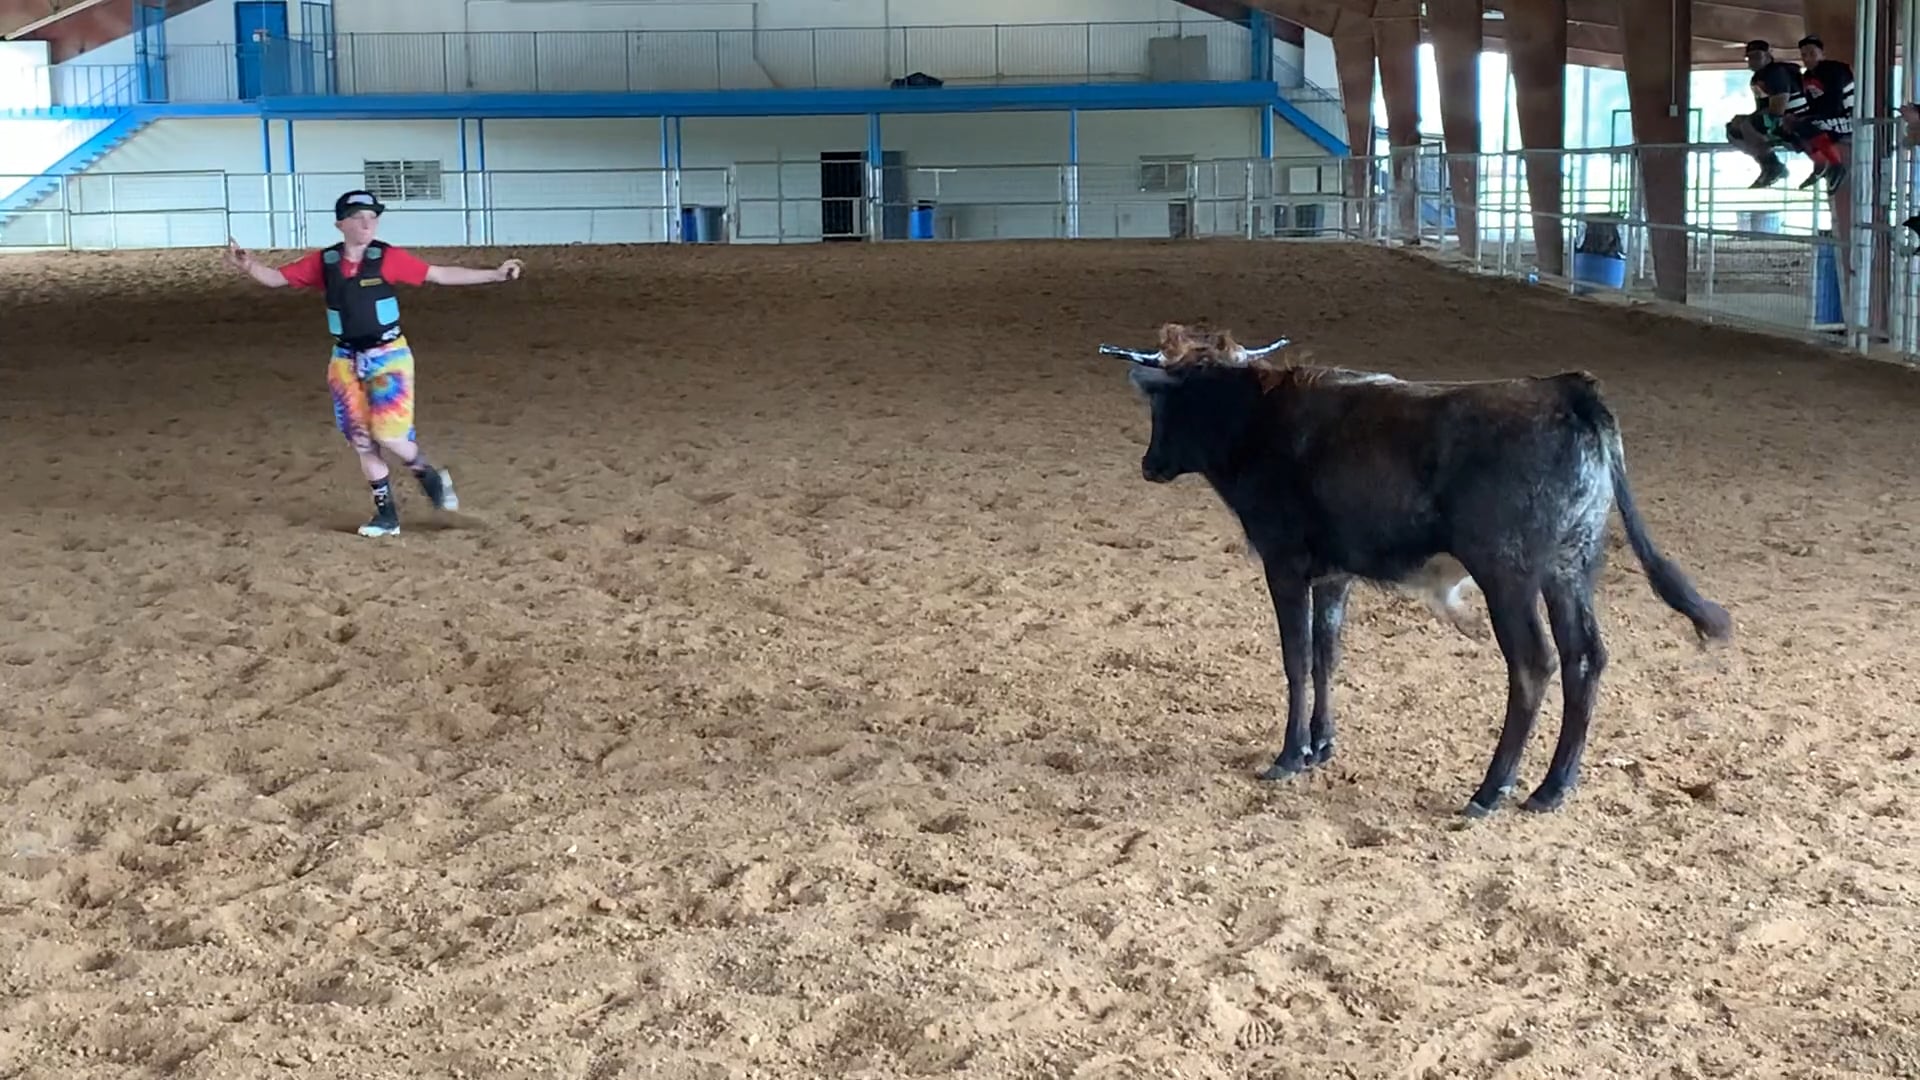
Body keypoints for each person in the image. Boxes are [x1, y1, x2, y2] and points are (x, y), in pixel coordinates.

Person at [223, 190, 524, 538]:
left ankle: (427, 474)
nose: (367, 222)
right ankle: (387, 515)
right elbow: (277, 279)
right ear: (340, 224)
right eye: (357, 216)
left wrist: (494, 275)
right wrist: (248, 265)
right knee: (362, 439)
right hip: (345, 360)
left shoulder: (387, 257)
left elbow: (438, 274)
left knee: (391, 435)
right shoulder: (325, 262)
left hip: (388, 356)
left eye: (372, 216)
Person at [1726, 39, 1809, 189]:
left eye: (1757, 56)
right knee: (1733, 131)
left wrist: (1751, 121)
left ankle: (1771, 165)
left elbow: (1778, 108)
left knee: (1748, 126)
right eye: (1749, 57)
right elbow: (1763, 108)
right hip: (1779, 119)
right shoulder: (1758, 78)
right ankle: (1769, 163)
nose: (1752, 60)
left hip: (1794, 120)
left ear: (1768, 55)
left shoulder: (1776, 73)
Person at [1793, 35, 1853, 190]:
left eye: (1812, 53)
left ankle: (1836, 165)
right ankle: (1820, 164)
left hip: (1849, 118)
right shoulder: (1808, 76)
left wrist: (1812, 118)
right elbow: (1814, 104)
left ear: (1822, 54)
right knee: (1791, 125)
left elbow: (1835, 101)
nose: (1807, 58)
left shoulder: (1834, 70)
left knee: (1808, 125)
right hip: (1830, 117)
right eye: (1804, 55)